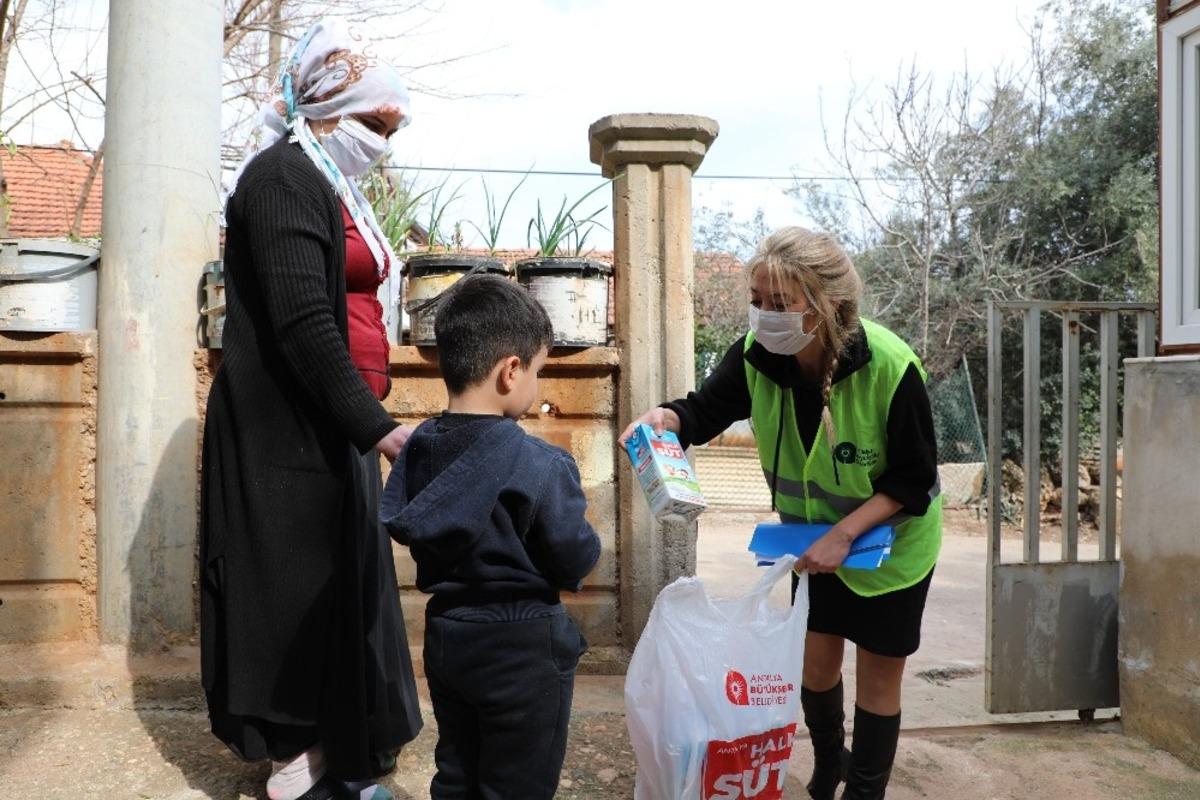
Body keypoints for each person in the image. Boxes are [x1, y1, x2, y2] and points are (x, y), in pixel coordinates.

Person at [619, 227, 942, 800]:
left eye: (781, 303)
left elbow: (913, 480)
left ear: (824, 305)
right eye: (758, 300)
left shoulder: (891, 367)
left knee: (878, 676)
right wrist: (666, 420)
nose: (765, 314)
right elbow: (704, 409)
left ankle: (865, 791)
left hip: (892, 545)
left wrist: (846, 535)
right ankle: (827, 765)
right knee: (814, 668)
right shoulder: (757, 358)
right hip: (810, 543)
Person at [201, 18, 422, 800]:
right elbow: (302, 324)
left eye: (393, 128)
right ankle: (298, 750)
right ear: (326, 111)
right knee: (291, 586)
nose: (384, 141)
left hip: (329, 421)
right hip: (285, 430)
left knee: (341, 584)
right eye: (374, 124)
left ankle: (343, 740)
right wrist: (381, 430)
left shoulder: (329, 182)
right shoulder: (281, 182)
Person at [380, 274, 600, 800]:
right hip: (521, 645)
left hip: (448, 636)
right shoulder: (540, 463)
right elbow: (572, 556)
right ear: (510, 371)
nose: (537, 387)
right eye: (538, 372)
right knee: (517, 782)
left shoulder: (418, 449)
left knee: (457, 768)